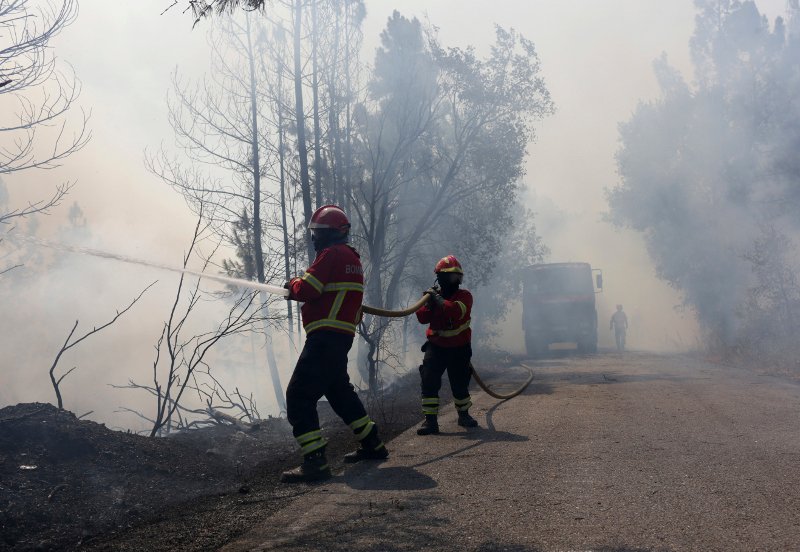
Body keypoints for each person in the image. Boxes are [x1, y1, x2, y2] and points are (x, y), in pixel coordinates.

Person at [280, 205, 388, 483]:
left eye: (317, 233)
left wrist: (292, 284)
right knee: (339, 393)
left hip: (325, 338)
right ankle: (372, 443)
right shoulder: (352, 259)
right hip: (340, 339)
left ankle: (314, 462)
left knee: (299, 396)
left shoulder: (330, 255)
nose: (314, 238)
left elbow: (309, 289)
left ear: (330, 233)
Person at [414, 255, 478, 435]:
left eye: (458, 276)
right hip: (436, 347)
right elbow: (421, 317)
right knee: (429, 381)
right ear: (441, 278)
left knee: (459, 382)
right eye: (451, 276)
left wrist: (437, 300)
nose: (456, 280)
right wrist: (428, 302)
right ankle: (430, 422)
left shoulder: (465, 296)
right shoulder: (433, 298)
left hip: (459, 348)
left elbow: (455, 312)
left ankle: (464, 415)